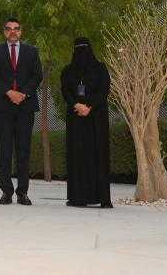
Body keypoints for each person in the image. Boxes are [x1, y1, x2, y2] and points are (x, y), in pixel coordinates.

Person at [0, 17, 42, 206]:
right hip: (3, 106)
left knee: (24, 151)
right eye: (9, 29)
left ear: (21, 31)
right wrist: (9, 92)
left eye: (16, 29)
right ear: (4, 32)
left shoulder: (32, 52)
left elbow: (37, 76)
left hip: (25, 107)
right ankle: (6, 192)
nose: (13, 32)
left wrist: (23, 94)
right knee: (4, 150)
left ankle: (23, 192)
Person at [61, 37, 112, 208]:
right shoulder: (67, 71)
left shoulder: (100, 68)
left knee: (98, 155)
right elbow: (65, 91)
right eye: (78, 49)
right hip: (76, 120)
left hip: (96, 119)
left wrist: (89, 106)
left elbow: (104, 90)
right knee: (77, 156)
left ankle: (102, 197)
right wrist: (76, 104)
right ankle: (78, 197)